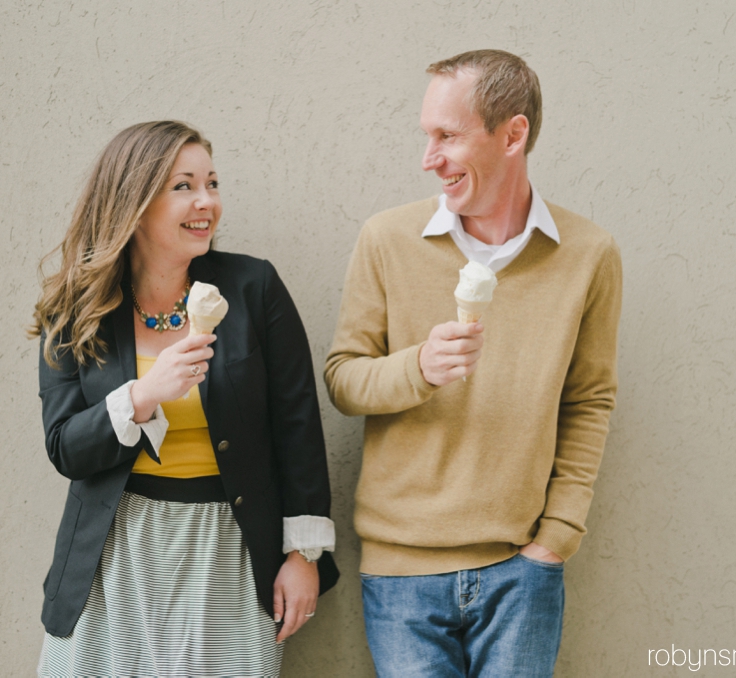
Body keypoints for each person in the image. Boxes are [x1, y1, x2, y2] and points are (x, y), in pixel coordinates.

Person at [324, 50, 621, 677]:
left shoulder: (589, 254)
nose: (428, 158)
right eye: (427, 135)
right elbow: (344, 379)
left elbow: (589, 400)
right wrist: (420, 368)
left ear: (513, 134)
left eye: (448, 136)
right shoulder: (387, 238)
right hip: (401, 574)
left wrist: (556, 537)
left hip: (522, 569)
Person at [30, 120, 340, 676]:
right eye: (184, 186)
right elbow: (65, 448)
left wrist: (304, 555)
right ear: (134, 203)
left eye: (212, 183)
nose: (207, 202)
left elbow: (298, 427)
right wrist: (145, 394)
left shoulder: (254, 288)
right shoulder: (74, 308)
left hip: (229, 544)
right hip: (117, 548)